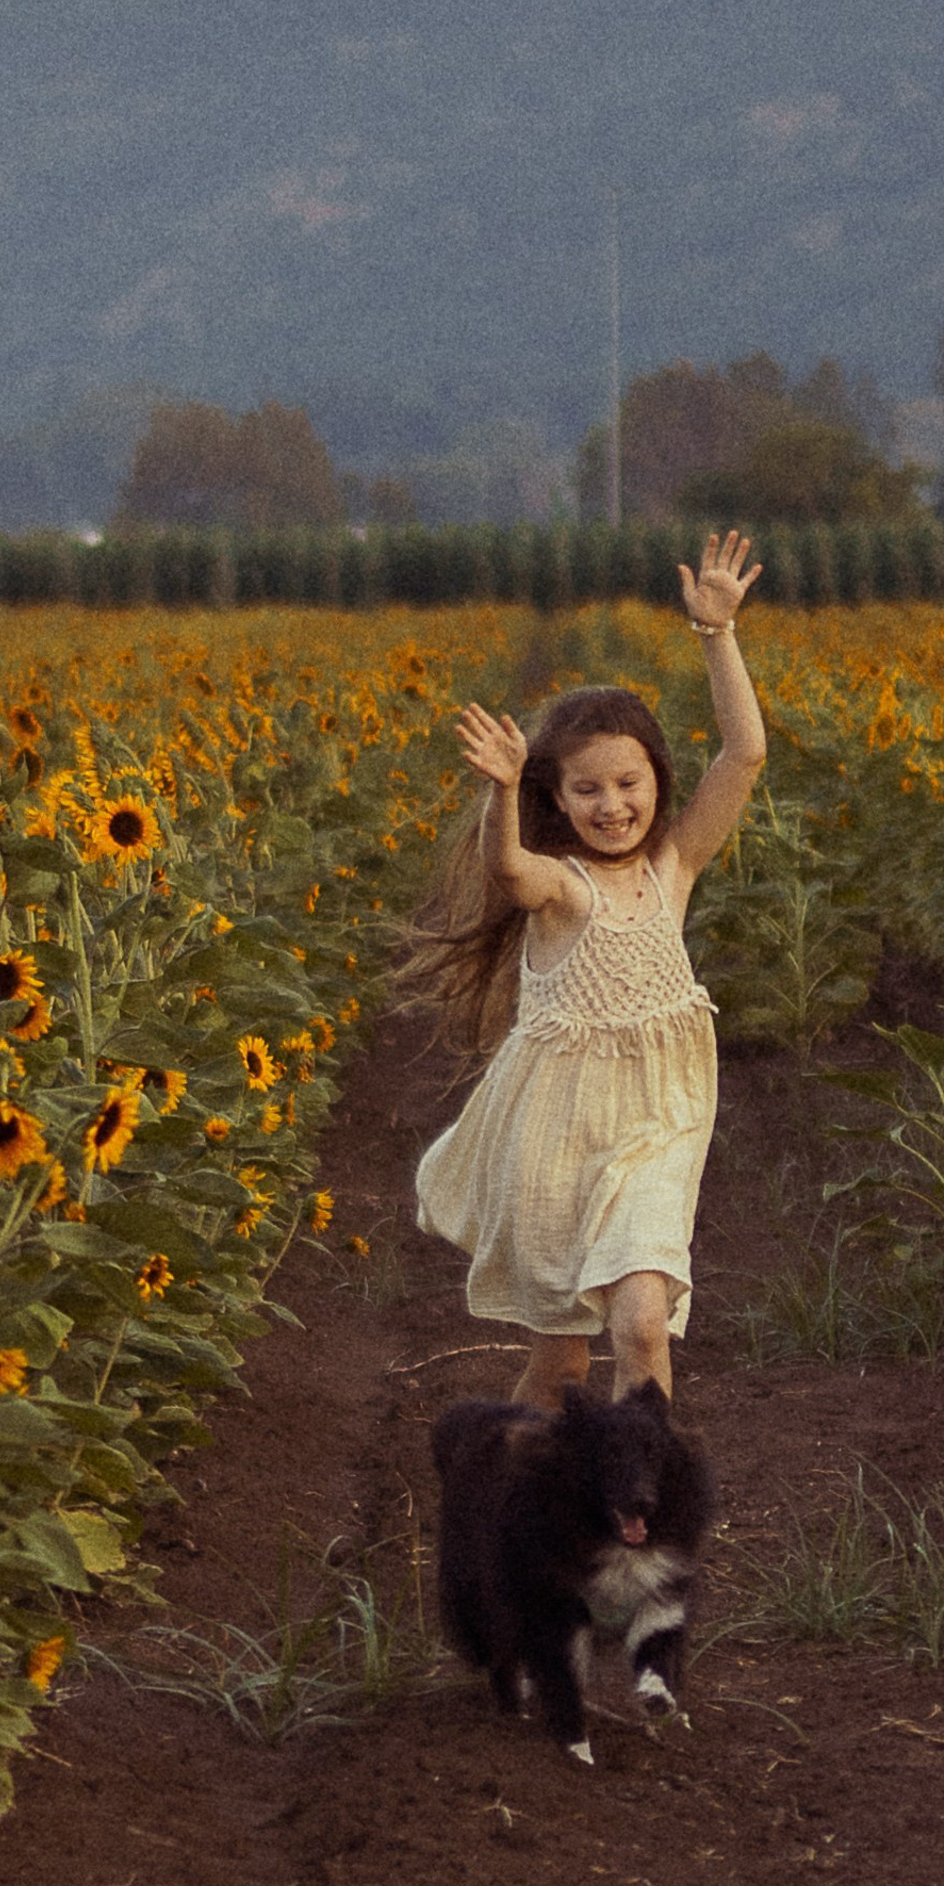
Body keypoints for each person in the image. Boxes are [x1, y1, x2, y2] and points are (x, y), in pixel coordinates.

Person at [404, 529, 765, 1409]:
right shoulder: (564, 889)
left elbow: (745, 755)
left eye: (629, 783)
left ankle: (643, 1517)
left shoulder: (671, 870)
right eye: (588, 790)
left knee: (642, 1323)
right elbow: (508, 873)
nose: (614, 806)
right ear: (556, 799)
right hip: (559, 1140)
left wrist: (717, 636)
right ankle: (511, 1497)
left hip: (656, 1127)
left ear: (657, 780)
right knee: (561, 1368)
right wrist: (501, 792)